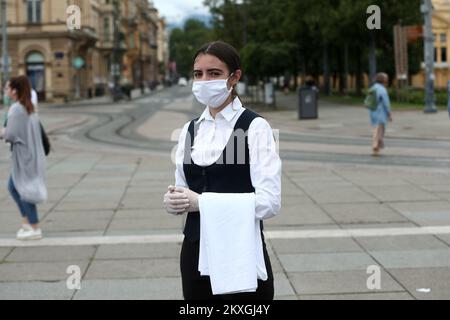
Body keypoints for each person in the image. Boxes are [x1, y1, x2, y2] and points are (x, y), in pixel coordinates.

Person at [163, 41, 282, 300]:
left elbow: (270, 203)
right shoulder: (189, 130)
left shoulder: (255, 127)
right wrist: (175, 199)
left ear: (234, 77)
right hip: (194, 251)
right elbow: (184, 187)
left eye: (214, 73)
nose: (204, 80)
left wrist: (202, 202)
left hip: (238, 250)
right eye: (198, 74)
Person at [0, 76, 47, 240]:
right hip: (31, 154)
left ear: (15, 90)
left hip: (24, 157)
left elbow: (10, 134)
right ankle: (27, 222)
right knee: (14, 188)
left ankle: (34, 228)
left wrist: (1, 131)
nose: (5, 91)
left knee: (25, 190)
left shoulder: (16, 109)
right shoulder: (29, 107)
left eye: (7, 88)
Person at [369, 73, 393, 156]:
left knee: (376, 128)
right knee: (380, 130)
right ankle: (376, 145)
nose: (387, 80)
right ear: (383, 80)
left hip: (372, 111)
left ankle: (377, 146)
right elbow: (386, 103)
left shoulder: (372, 88)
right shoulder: (382, 89)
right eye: (386, 78)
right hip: (381, 112)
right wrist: (389, 114)